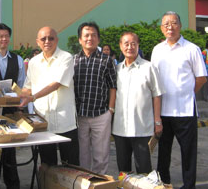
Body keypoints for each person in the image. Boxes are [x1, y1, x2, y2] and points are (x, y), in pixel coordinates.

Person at [151, 11, 207, 189]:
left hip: (185, 110)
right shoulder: (157, 50)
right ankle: (164, 183)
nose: (170, 27)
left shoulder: (192, 49)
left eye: (174, 23)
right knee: (163, 152)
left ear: (180, 25)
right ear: (161, 28)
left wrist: (186, 93)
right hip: (163, 111)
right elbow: (153, 78)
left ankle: (188, 185)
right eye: (166, 24)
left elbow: (201, 78)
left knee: (188, 152)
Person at [20, 26, 79, 166]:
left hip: (65, 122)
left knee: (71, 166)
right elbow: (27, 89)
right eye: (43, 39)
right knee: (47, 165)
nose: (47, 41)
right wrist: (9, 97)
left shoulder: (66, 58)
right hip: (43, 122)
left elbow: (56, 84)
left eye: (51, 38)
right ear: (37, 42)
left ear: (57, 40)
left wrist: (32, 97)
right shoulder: (33, 62)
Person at [112, 32, 164, 174]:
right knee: (123, 169)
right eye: (126, 43)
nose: (130, 47)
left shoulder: (149, 67)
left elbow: (157, 95)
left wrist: (157, 120)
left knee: (144, 169)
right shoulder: (116, 70)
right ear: (121, 46)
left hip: (142, 128)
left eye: (133, 43)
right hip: (120, 129)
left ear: (138, 45)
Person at [74, 22, 117, 175]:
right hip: (80, 115)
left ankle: (99, 184)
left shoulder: (106, 60)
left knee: (101, 156)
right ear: (80, 39)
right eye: (86, 35)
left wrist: (110, 110)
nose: (89, 38)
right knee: (82, 156)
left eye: (93, 35)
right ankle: (85, 183)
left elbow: (113, 86)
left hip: (101, 114)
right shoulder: (73, 61)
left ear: (98, 39)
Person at [0, 23, 26, 189]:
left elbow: (21, 84)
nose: (4, 39)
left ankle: (12, 184)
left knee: (9, 151)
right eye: (0, 36)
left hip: (10, 110)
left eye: (6, 36)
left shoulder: (17, 59)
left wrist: (20, 105)